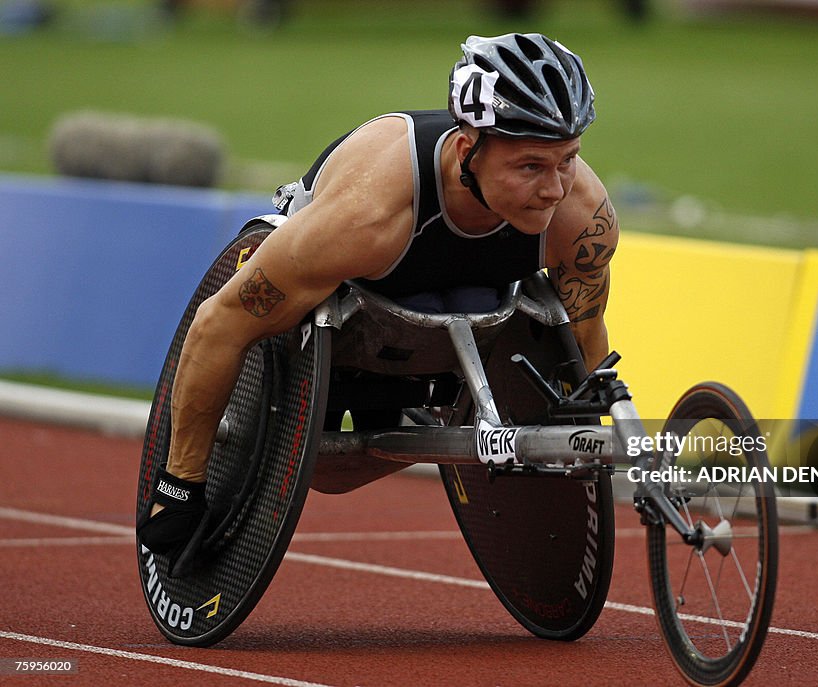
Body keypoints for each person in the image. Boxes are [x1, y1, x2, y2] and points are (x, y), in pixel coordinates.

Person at [137, 32, 619, 568]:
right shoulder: (365, 216)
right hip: (355, 304)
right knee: (318, 459)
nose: (555, 188)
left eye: (568, 160)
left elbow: (584, 330)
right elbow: (218, 322)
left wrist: (603, 434)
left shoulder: (581, 217)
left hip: (456, 323)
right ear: (467, 151)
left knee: (479, 291)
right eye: (530, 167)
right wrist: (180, 482)